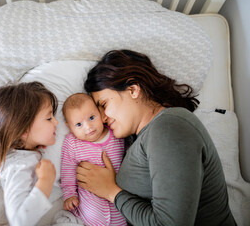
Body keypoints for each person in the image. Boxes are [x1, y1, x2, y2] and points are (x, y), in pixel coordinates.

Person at [76, 49, 237, 226]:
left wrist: (111, 192)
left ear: (132, 90)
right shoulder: (146, 135)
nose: (103, 118)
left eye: (104, 105)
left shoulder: (169, 126)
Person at [0, 81, 59, 226]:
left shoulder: (7, 153)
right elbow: (20, 221)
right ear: (23, 131)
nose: (56, 122)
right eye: (49, 118)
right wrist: (46, 181)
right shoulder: (18, 165)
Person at [60, 93, 127, 226]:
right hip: (90, 212)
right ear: (69, 127)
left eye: (91, 117)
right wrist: (69, 195)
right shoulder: (72, 143)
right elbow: (68, 170)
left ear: (101, 114)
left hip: (119, 206)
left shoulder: (116, 134)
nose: (88, 127)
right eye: (78, 124)